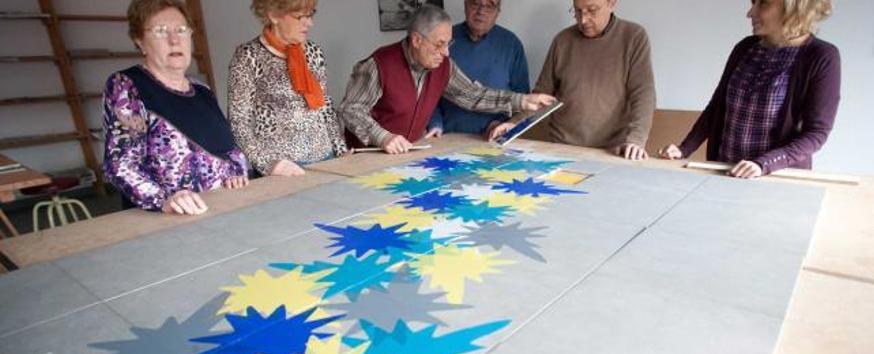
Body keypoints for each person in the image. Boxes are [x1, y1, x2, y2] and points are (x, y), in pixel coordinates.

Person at [339, 4, 555, 155]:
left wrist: (522, 101)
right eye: (439, 44)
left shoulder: (443, 65)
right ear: (416, 40)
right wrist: (383, 137)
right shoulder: (377, 65)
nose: (446, 53)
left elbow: (472, 95)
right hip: (367, 155)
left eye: (448, 44)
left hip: (407, 153)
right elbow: (350, 109)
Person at [660, 0, 840, 179]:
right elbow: (716, 108)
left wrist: (764, 163)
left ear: (793, 8)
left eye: (763, 3)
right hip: (725, 171)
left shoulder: (822, 57)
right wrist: (684, 149)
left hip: (776, 179)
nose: (750, 13)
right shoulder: (745, 48)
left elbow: (816, 133)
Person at [103, 0, 248, 216]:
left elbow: (230, 149)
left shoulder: (201, 89)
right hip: (171, 219)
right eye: (161, 31)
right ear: (140, 41)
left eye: (181, 30)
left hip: (222, 207)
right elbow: (120, 165)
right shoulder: (127, 85)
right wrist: (164, 200)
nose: (174, 40)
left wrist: (237, 173)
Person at [228, 0, 347, 177]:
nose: (309, 23)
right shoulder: (248, 57)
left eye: (311, 14)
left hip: (326, 159)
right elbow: (238, 122)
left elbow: (325, 107)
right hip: (282, 170)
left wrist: (340, 150)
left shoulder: (314, 52)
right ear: (273, 14)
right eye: (300, 17)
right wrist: (267, 165)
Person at [533, 0, 655, 160]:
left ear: (611, 3)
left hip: (612, 149)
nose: (583, 20)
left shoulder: (633, 37)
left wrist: (637, 140)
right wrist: (514, 124)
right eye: (577, 12)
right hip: (562, 145)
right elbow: (541, 94)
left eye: (592, 10)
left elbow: (643, 93)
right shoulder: (562, 40)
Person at [426, 0, 530, 138]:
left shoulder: (511, 44)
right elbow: (427, 90)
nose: (481, 11)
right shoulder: (444, 39)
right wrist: (435, 123)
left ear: (497, 12)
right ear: (465, 5)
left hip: (494, 139)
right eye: (475, 3)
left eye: (489, 5)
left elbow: (523, 98)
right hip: (447, 136)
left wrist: (505, 125)